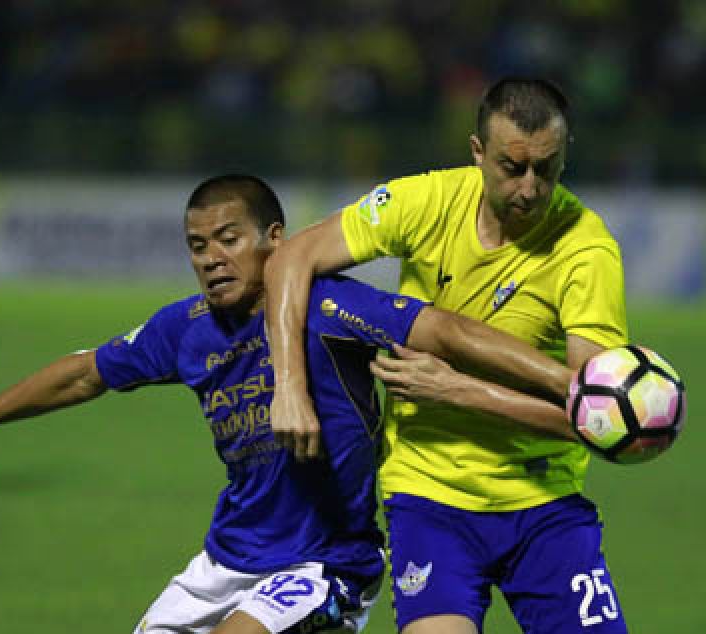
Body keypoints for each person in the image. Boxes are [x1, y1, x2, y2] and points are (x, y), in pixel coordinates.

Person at [0, 174, 579, 634]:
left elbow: (448, 331)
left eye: (228, 239)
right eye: (198, 246)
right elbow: (84, 374)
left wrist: (564, 383)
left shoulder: (332, 306)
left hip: (327, 567)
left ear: (275, 243)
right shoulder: (185, 329)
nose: (212, 259)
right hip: (224, 563)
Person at [264, 78, 630, 633]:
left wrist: (458, 390)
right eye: (512, 167)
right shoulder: (429, 201)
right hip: (428, 497)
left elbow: (591, 417)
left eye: (547, 169)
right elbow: (292, 258)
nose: (530, 188)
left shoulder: (586, 249)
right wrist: (289, 387)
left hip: (543, 501)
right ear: (478, 153)